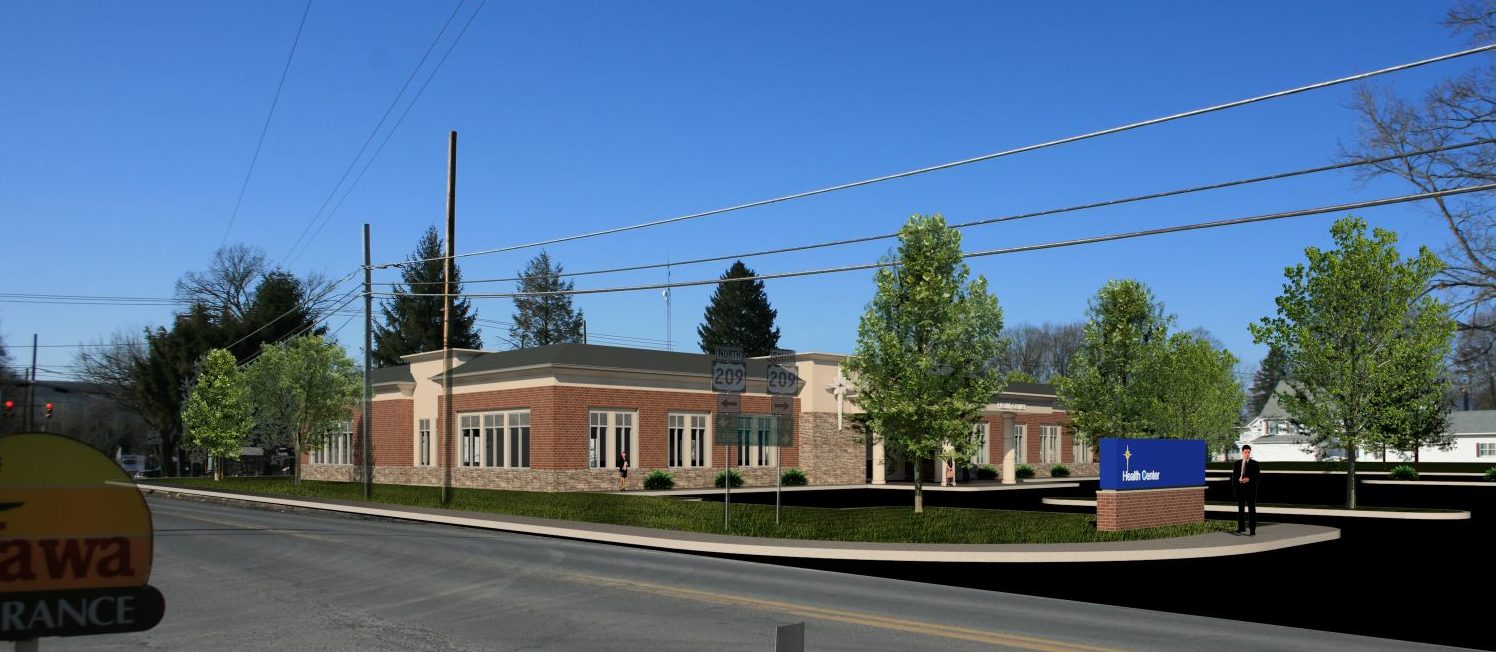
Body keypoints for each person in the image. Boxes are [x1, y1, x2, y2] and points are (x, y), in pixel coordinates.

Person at [1232, 444, 1261, 535]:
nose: (1247, 454)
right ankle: (1241, 528)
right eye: (1245, 452)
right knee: (1241, 509)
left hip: (1250, 490)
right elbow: (1234, 476)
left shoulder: (1255, 463)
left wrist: (1249, 479)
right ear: (1242, 452)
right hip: (1240, 489)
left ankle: (1252, 529)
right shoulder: (1237, 463)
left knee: (1251, 509)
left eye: (1249, 452)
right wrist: (1236, 488)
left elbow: (1257, 477)